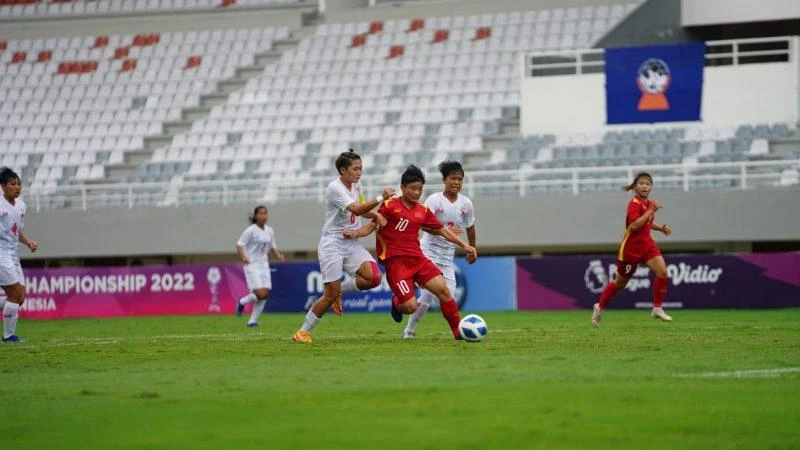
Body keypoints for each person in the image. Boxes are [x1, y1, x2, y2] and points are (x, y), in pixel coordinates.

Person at [344, 165, 477, 340]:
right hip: (396, 263)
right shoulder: (390, 205)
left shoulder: (422, 210)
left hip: (418, 259)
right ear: (403, 187)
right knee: (410, 307)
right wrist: (354, 233)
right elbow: (372, 224)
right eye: (413, 188)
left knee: (443, 290)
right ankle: (396, 302)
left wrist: (465, 245)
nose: (416, 193)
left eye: (420, 189)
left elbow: (441, 230)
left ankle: (457, 332)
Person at [292, 150, 395, 343]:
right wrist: (381, 198)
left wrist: (375, 215)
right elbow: (355, 209)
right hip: (333, 243)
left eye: (361, 168)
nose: (359, 172)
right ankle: (303, 332)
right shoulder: (334, 188)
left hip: (351, 242)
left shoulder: (357, 185)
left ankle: (340, 290)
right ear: (342, 170)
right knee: (329, 294)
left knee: (374, 278)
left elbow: (363, 211)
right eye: (355, 169)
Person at [402, 160, 476, 340]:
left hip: (446, 258)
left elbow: (470, 226)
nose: (456, 182)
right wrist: (444, 231)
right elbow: (423, 225)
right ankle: (409, 331)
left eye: (460, 179)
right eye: (453, 178)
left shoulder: (466, 203)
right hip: (427, 254)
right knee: (427, 296)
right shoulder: (434, 200)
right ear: (444, 180)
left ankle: (458, 330)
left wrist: (472, 248)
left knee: (448, 299)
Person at [592, 172, 672, 328]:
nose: (644, 186)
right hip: (631, 249)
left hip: (647, 245)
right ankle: (599, 307)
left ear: (651, 187)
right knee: (620, 283)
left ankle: (657, 308)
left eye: (648, 183)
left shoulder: (648, 204)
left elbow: (646, 223)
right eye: (641, 183)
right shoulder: (634, 203)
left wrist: (661, 228)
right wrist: (651, 211)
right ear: (636, 185)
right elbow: (634, 225)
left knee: (662, 271)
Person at [0, 167, 38, 343]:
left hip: (14, 255)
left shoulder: (21, 206)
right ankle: (8, 337)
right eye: (12, 184)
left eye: (18, 183)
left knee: (20, 298)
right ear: (3, 186)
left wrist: (29, 242)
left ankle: (9, 336)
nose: (17, 187)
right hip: (1, 254)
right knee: (15, 294)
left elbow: (17, 231)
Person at [234, 205, 284, 327]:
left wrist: (278, 255)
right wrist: (244, 257)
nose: (263, 216)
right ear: (256, 216)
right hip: (252, 265)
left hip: (264, 265)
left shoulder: (270, 230)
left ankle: (252, 321)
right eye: (260, 213)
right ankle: (242, 301)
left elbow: (272, 246)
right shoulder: (250, 230)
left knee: (265, 294)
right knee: (260, 294)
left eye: (265, 213)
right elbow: (239, 245)